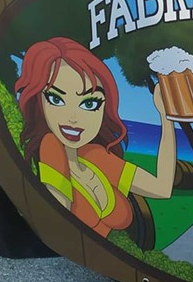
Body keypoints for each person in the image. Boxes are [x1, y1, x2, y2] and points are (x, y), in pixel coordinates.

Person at [15, 38, 177, 238]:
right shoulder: (51, 146)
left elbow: (162, 189)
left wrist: (166, 116)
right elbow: (59, 223)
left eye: (89, 103)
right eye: (56, 99)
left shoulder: (95, 155)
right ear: (39, 102)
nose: (73, 118)